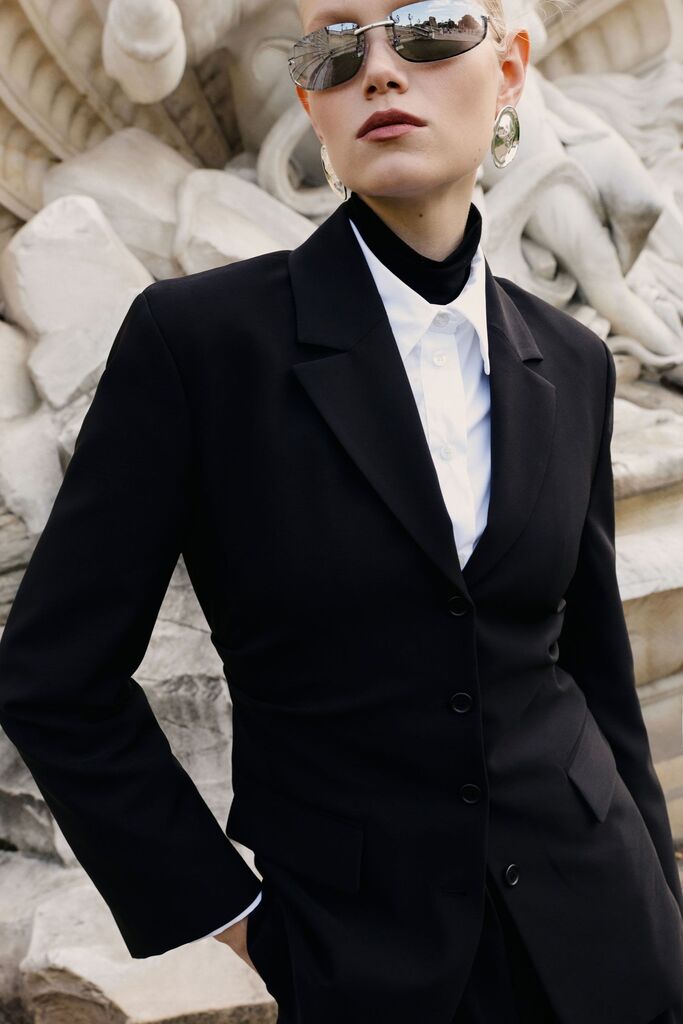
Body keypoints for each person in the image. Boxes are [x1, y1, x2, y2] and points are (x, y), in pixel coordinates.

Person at [0, 2, 682, 1022]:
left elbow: (593, 676)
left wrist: (661, 905)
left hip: (608, 929)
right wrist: (225, 908)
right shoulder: (198, 344)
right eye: (334, 45)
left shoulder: (572, 359)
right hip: (363, 961)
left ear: (509, 70)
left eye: (428, 28)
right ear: (308, 99)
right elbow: (53, 677)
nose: (380, 69)